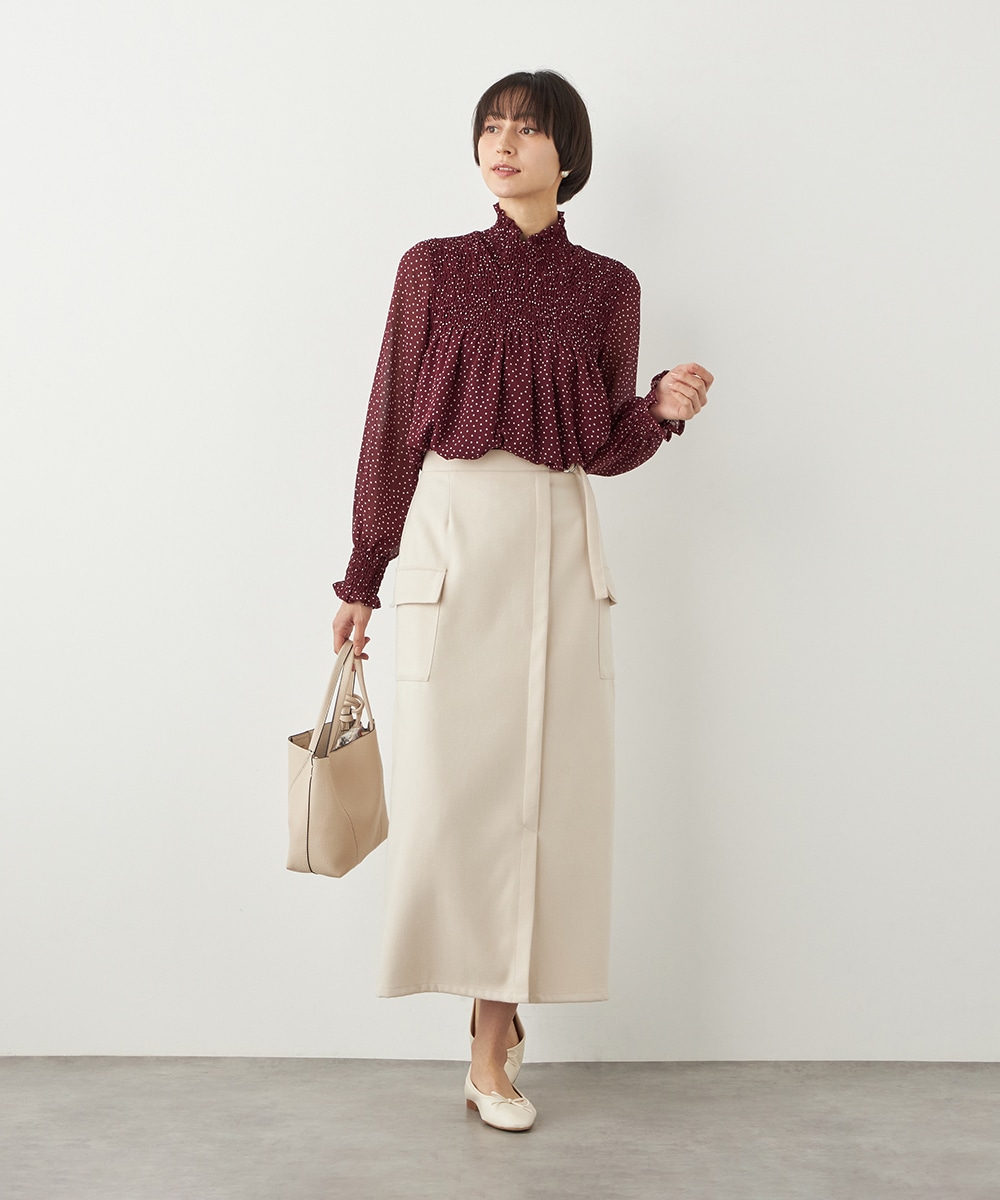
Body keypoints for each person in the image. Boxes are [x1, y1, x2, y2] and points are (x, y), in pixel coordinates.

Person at [331, 69, 713, 1133]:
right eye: (490, 127)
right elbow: (390, 421)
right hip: (451, 534)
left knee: (541, 793)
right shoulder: (432, 269)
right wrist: (363, 573)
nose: (502, 145)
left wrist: (660, 410)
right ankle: (479, 1007)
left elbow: (601, 444)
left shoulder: (607, 287)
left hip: (555, 536)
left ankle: (491, 1043)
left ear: (565, 155)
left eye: (526, 130)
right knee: (455, 789)